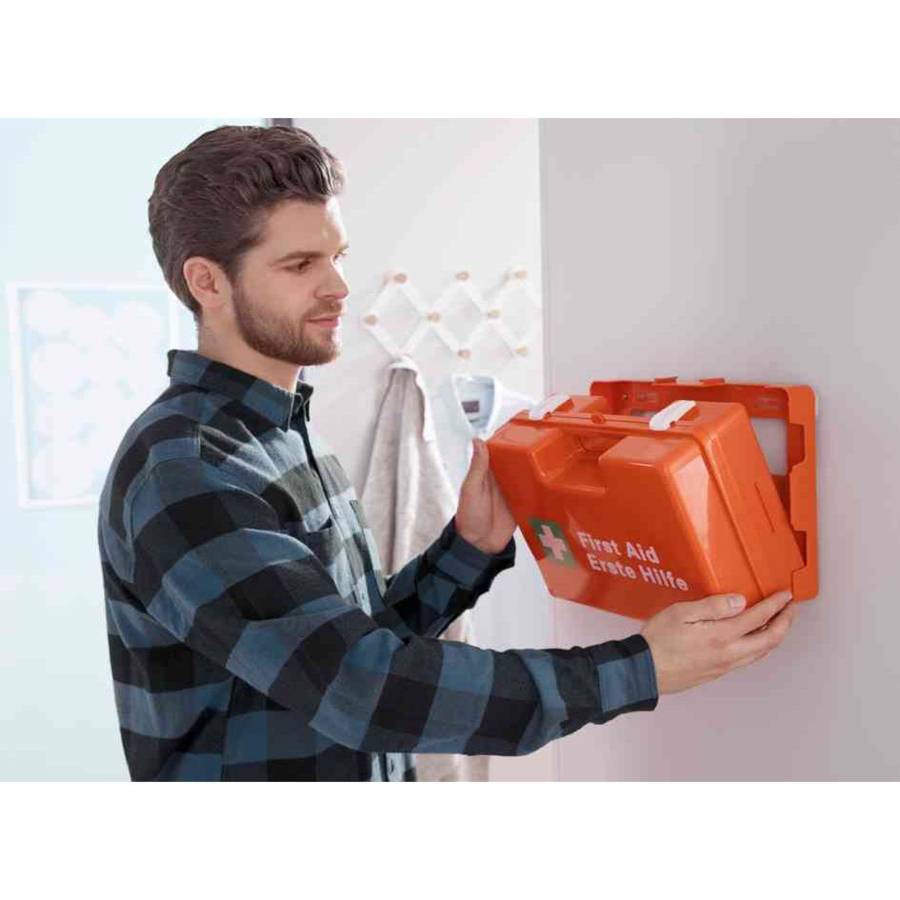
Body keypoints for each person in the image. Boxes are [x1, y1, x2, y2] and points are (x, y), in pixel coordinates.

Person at [97, 124, 795, 781]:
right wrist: (639, 669)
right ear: (208, 282)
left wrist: (469, 547)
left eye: (337, 256)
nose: (338, 287)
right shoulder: (188, 469)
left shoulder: (283, 433)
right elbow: (363, 688)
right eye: (301, 264)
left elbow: (352, 643)